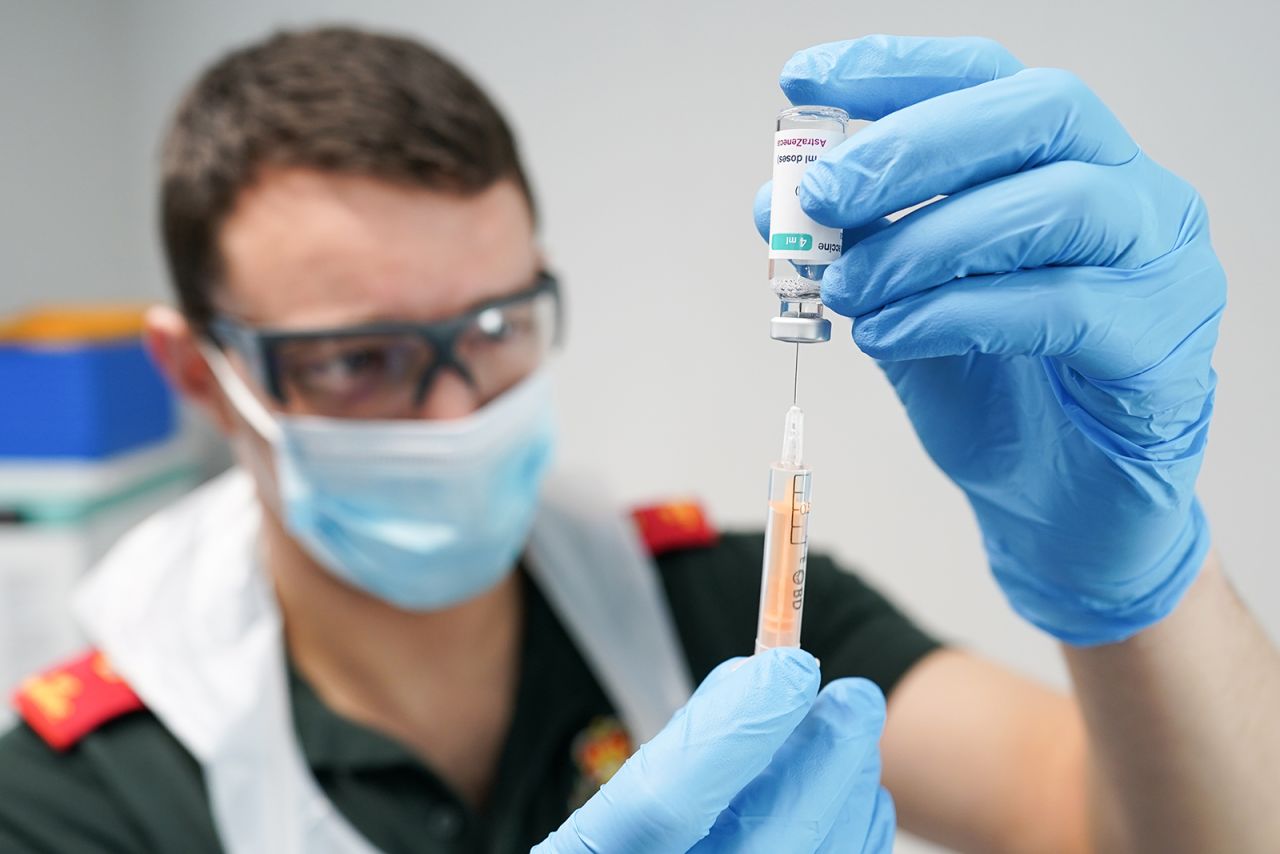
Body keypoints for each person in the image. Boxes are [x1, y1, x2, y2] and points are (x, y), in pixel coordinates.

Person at [0, 25, 1276, 854]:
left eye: (497, 325)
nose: (457, 406)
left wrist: (1139, 582)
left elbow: (1158, 829)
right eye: (359, 357)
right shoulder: (81, 795)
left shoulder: (718, 603)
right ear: (202, 374)